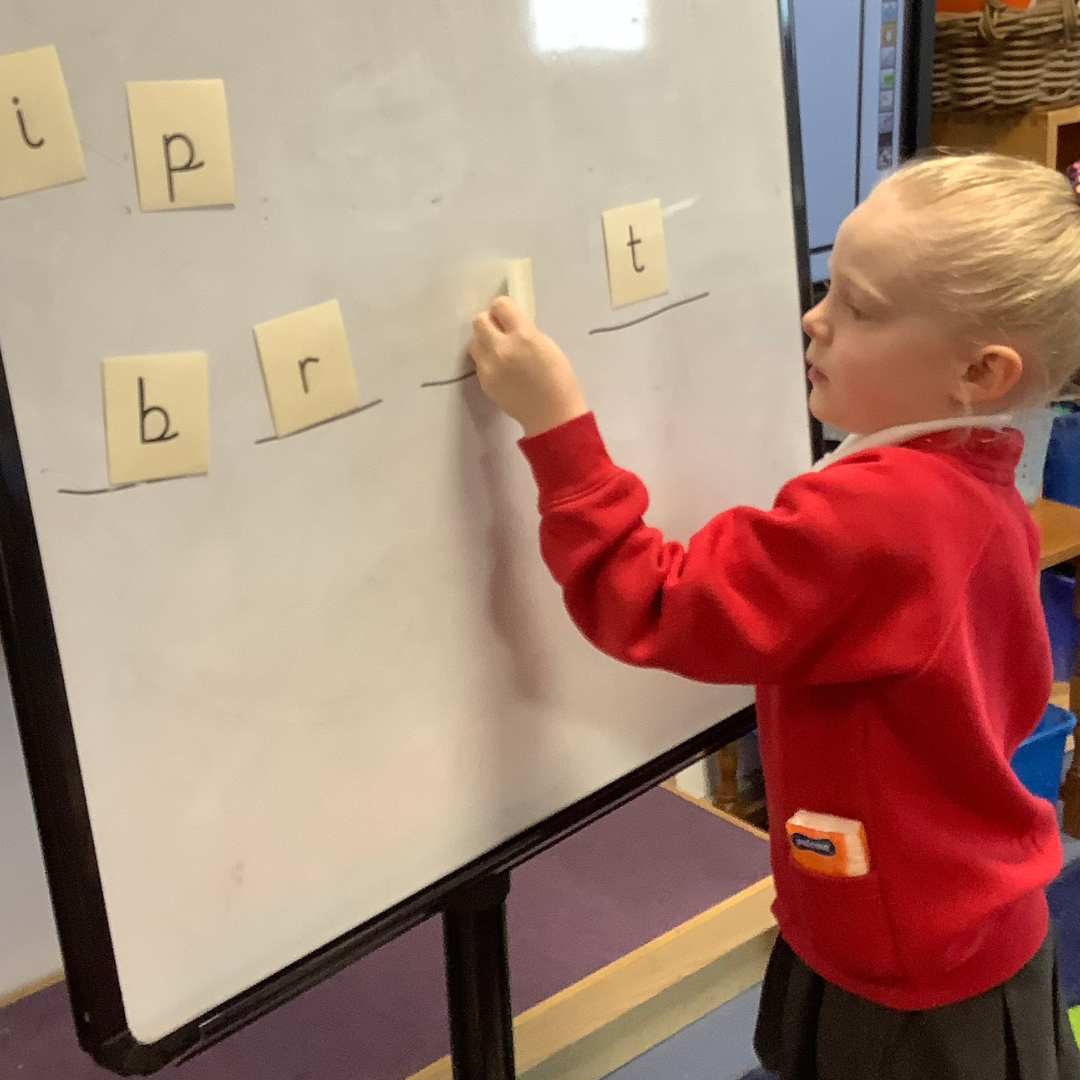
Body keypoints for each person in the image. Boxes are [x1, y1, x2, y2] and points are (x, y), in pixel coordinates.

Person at [467, 152, 1080, 1079]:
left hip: (902, 959)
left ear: (981, 371)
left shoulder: (885, 515)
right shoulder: (976, 470)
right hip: (956, 918)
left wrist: (557, 427)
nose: (814, 320)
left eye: (861, 310)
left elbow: (654, 602)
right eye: (830, 289)